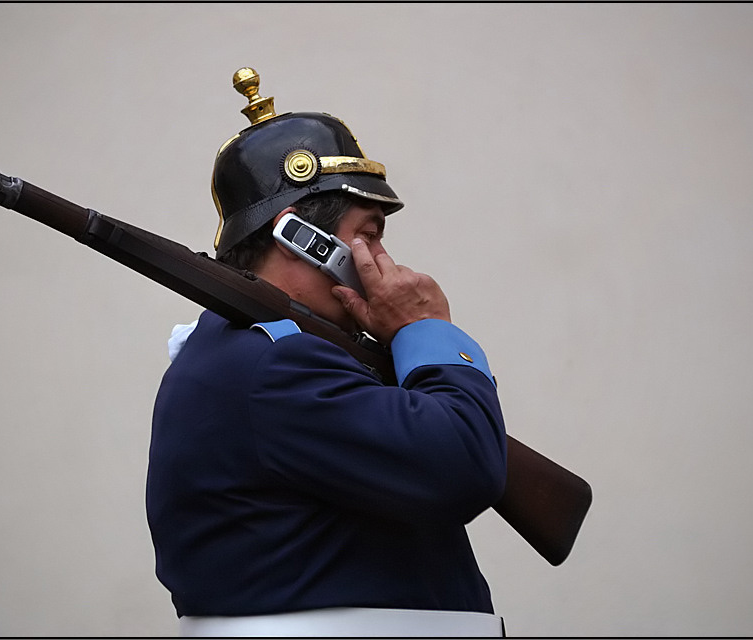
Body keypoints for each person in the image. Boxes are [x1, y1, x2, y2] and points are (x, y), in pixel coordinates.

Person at [145, 68, 508, 637]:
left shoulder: (251, 353)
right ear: (303, 240)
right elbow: (462, 462)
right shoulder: (277, 363)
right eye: (369, 234)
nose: (382, 259)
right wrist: (425, 329)